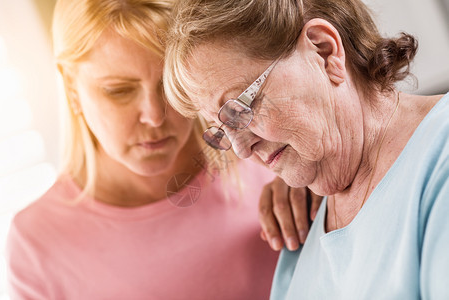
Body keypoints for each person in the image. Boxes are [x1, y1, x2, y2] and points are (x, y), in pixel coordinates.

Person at [5, 0, 322, 299]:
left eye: (170, 85)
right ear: (71, 87)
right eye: (119, 91)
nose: (154, 115)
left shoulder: (270, 154)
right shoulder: (37, 244)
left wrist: (314, 184)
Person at [163, 0, 449, 298]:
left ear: (324, 51)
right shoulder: (302, 223)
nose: (241, 150)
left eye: (240, 108)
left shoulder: (440, 155)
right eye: (222, 129)